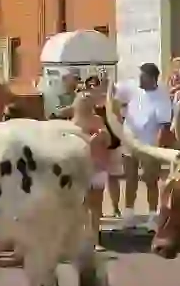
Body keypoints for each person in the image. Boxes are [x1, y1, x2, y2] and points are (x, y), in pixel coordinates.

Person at [114, 62, 173, 229]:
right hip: (129, 141)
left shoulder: (162, 97)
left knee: (150, 180)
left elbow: (165, 126)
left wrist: (158, 151)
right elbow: (114, 93)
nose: (139, 79)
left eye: (143, 76)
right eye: (140, 75)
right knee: (130, 177)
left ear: (153, 79)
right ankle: (129, 214)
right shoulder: (132, 87)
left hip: (149, 145)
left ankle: (153, 215)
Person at [71, 91, 112, 251]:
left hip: (99, 166)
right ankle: (80, 239)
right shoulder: (73, 124)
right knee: (82, 205)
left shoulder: (98, 120)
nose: (87, 105)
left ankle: (95, 239)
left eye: (89, 102)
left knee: (96, 206)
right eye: (84, 102)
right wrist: (91, 140)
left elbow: (108, 142)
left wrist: (104, 135)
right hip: (81, 168)